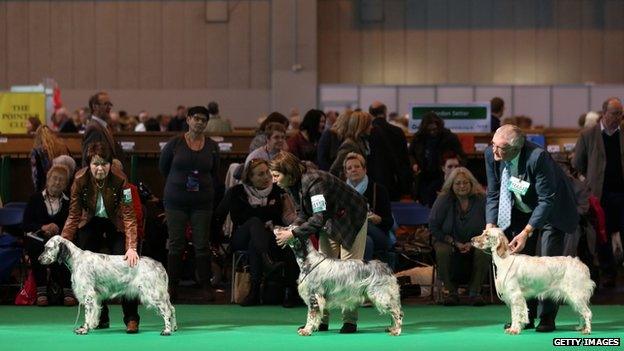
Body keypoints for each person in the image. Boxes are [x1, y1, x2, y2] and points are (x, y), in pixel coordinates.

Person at [485, 124, 579, 332]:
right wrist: (490, 225)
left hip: (551, 212)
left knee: (546, 265)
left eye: (500, 147)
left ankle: (547, 317)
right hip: (520, 210)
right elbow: (493, 193)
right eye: (493, 145)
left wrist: (527, 232)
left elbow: (546, 200)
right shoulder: (491, 155)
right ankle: (525, 317)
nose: (494, 151)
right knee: (521, 266)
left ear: (516, 149)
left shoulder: (538, 157)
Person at [271, 151, 367, 334]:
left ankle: (350, 321)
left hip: (352, 219)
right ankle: (320, 321)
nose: (274, 180)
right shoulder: (291, 184)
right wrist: (292, 228)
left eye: (276, 176)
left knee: (349, 271)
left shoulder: (314, 182)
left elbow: (318, 218)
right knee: (322, 274)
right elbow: (302, 213)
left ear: (288, 172)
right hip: (330, 220)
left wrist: (293, 233)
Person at [61, 142, 140, 333]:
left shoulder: (122, 180)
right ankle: (101, 318)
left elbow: (129, 215)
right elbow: (73, 215)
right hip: (90, 223)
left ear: (110, 164)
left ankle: (131, 318)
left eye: (104, 164)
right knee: (91, 272)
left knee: (127, 268)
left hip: (116, 224)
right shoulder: (79, 180)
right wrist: (64, 241)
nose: (100, 168)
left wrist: (132, 247)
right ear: (89, 164)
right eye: (95, 164)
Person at [214, 159, 297, 306]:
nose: (266, 177)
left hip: (268, 237)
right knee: (254, 223)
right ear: (250, 177)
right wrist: (215, 241)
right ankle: (268, 264)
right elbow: (227, 215)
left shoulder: (278, 191)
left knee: (257, 243)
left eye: (267, 173)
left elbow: (280, 217)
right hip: (241, 236)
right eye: (260, 174)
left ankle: (259, 292)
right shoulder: (236, 192)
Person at [159, 106, 220, 302]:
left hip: (202, 202)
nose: (200, 122)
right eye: (196, 118)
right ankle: (172, 287)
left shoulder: (212, 146)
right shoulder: (175, 143)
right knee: (176, 243)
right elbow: (163, 167)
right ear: (188, 119)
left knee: (202, 244)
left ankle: (206, 287)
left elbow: (214, 171)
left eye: (204, 119)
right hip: (175, 200)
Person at [573, 97, 624, 287]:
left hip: (622, 193)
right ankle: (608, 274)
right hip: (599, 195)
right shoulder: (588, 135)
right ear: (604, 113)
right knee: (602, 236)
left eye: (620, 114)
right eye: (615, 113)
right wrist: (592, 179)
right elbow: (577, 163)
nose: (618, 117)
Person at [429, 167, 489, 306]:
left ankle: (475, 293)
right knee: (442, 250)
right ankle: (451, 292)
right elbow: (433, 227)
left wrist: (473, 243)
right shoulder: (443, 199)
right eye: (458, 183)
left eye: (465, 182)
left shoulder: (481, 199)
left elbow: (490, 225)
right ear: (452, 185)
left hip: (477, 241)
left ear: (471, 183)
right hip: (448, 241)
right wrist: (453, 242)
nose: (462, 186)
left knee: (484, 250)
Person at [22, 165, 76, 306]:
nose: (57, 183)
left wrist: (59, 229)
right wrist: (42, 227)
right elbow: (26, 224)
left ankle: (67, 290)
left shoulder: (69, 201)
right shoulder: (35, 199)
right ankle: (41, 291)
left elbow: (72, 222)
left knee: (64, 247)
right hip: (38, 237)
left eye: (61, 180)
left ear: (65, 184)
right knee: (37, 246)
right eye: (54, 179)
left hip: (61, 238)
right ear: (47, 179)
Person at [343, 153, 393, 263]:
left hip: (378, 233)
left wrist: (378, 219)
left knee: (362, 222)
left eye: (357, 166)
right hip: (351, 235)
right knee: (367, 242)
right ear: (346, 174)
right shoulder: (342, 192)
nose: (353, 170)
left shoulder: (378, 190)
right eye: (349, 168)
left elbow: (389, 222)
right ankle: (361, 277)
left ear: (365, 170)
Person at [409, 111, 465, 207]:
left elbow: (462, 156)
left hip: (443, 175)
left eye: (434, 129)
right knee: (424, 201)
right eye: (429, 130)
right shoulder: (418, 138)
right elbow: (410, 154)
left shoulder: (449, 137)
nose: (432, 132)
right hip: (423, 174)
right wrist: (414, 163)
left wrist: (453, 166)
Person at [367, 101, 412, 201]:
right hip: (394, 179)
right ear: (385, 112)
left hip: (374, 180)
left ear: (370, 114)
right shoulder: (398, 131)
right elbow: (405, 158)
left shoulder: (368, 132)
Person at [82, 91, 123, 167]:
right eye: (106, 104)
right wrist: (112, 162)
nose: (109, 107)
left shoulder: (104, 126)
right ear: (95, 106)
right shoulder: (93, 128)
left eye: (110, 104)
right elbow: (90, 157)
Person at [329, 111, 372, 179]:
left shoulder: (360, 141)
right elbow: (334, 170)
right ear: (362, 126)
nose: (371, 127)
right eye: (369, 124)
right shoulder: (349, 144)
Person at [30, 125, 71, 192]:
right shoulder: (63, 147)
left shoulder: (37, 151)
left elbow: (35, 176)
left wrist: (37, 193)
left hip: (46, 189)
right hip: (64, 187)